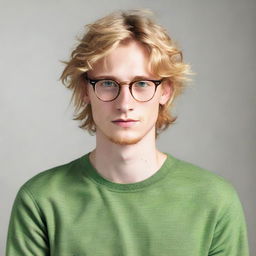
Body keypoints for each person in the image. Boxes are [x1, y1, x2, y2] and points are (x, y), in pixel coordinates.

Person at [6, 9, 249, 256]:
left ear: (165, 91)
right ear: (85, 91)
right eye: (108, 83)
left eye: (142, 83)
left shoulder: (214, 200)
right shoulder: (41, 200)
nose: (125, 103)